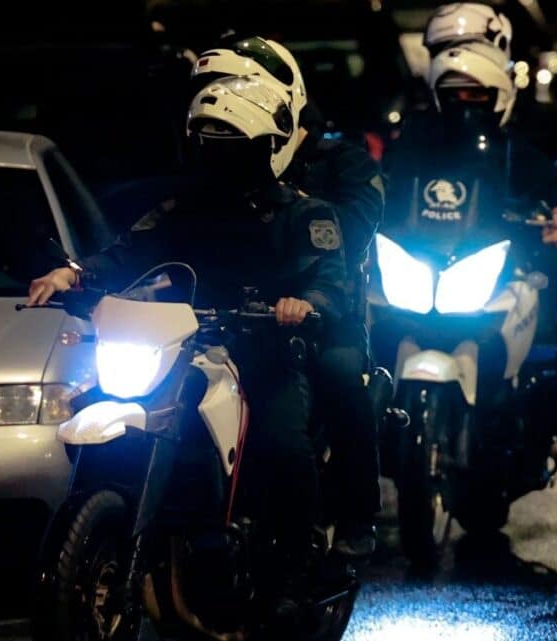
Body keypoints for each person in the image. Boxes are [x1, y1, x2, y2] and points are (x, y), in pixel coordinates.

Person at [27, 53, 347, 624]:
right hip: (182, 348)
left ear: (267, 149)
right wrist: (73, 275)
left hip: (265, 354)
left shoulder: (304, 215)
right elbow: (126, 253)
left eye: (235, 150)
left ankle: (298, 568)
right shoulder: (182, 209)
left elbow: (329, 282)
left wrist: (305, 305)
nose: (222, 162)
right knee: (99, 398)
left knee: (282, 443)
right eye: (212, 148)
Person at [188, 37, 386, 557]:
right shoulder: (221, 158)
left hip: (322, 312)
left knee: (340, 375)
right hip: (233, 314)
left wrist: (287, 218)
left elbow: (343, 239)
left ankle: (355, 516)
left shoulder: (340, 163)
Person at [382, 2, 557, 452]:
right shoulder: (420, 128)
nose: (457, 61)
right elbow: (386, 182)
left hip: (518, 244)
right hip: (430, 250)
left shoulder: (536, 121)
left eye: (470, 46)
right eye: (444, 49)